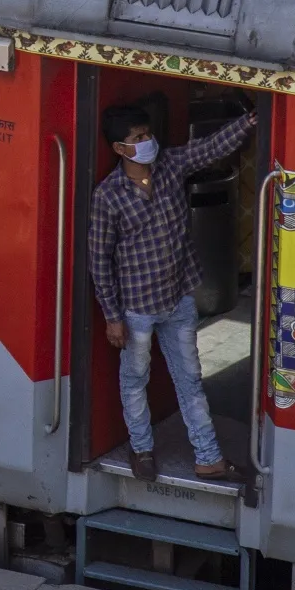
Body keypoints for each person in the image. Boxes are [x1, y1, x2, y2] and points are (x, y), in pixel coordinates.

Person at [88, 99, 258, 485]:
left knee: (190, 380)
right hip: (136, 310)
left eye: (148, 134)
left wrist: (248, 121)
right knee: (135, 380)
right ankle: (142, 449)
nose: (148, 142)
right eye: (138, 138)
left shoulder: (169, 165)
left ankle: (208, 457)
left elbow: (209, 149)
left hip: (179, 298)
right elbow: (100, 261)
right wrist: (112, 316)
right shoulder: (108, 196)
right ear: (120, 149)